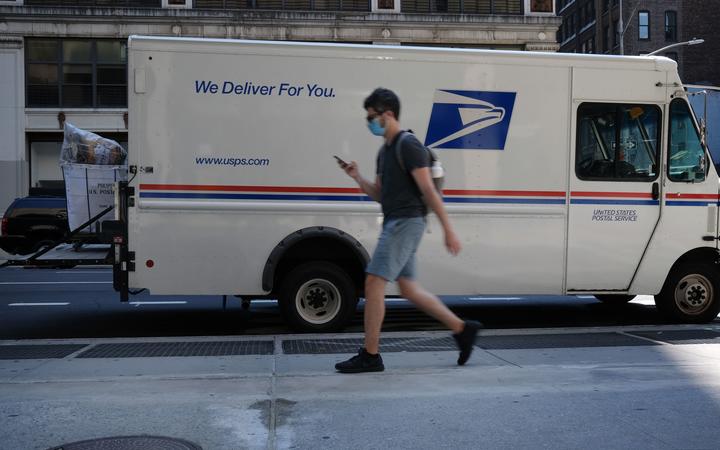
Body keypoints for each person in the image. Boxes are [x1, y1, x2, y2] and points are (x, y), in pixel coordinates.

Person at [335, 87, 482, 374]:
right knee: (408, 289)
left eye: (372, 117)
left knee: (374, 282)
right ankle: (463, 329)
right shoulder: (384, 152)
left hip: (406, 222)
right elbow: (379, 194)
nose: (370, 123)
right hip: (395, 220)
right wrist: (357, 178)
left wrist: (448, 230)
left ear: (388, 114)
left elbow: (428, 190)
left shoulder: (409, 145)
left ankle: (371, 355)